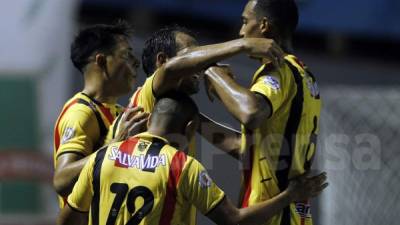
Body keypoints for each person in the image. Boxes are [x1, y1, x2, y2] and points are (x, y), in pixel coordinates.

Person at [57, 93, 328, 225]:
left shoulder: (103, 156)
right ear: (189, 129)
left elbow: (68, 219)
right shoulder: (182, 166)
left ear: (150, 119)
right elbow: (233, 221)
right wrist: (290, 195)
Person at [204, 0, 322, 224]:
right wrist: (197, 121)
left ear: (264, 25)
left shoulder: (279, 70)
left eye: (245, 21)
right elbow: (252, 149)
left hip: (272, 217)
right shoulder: (306, 77)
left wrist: (213, 72)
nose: (241, 31)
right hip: (295, 217)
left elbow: (251, 113)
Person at [105, 26, 284, 155]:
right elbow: (170, 69)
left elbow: (239, 146)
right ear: (162, 60)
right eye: (192, 54)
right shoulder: (149, 92)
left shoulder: (180, 114)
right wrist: (244, 44)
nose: (200, 63)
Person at [52, 21, 146, 208]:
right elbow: (61, 181)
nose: (135, 62)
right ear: (101, 61)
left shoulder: (118, 112)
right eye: (126, 55)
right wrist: (112, 148)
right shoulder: (82, 113)